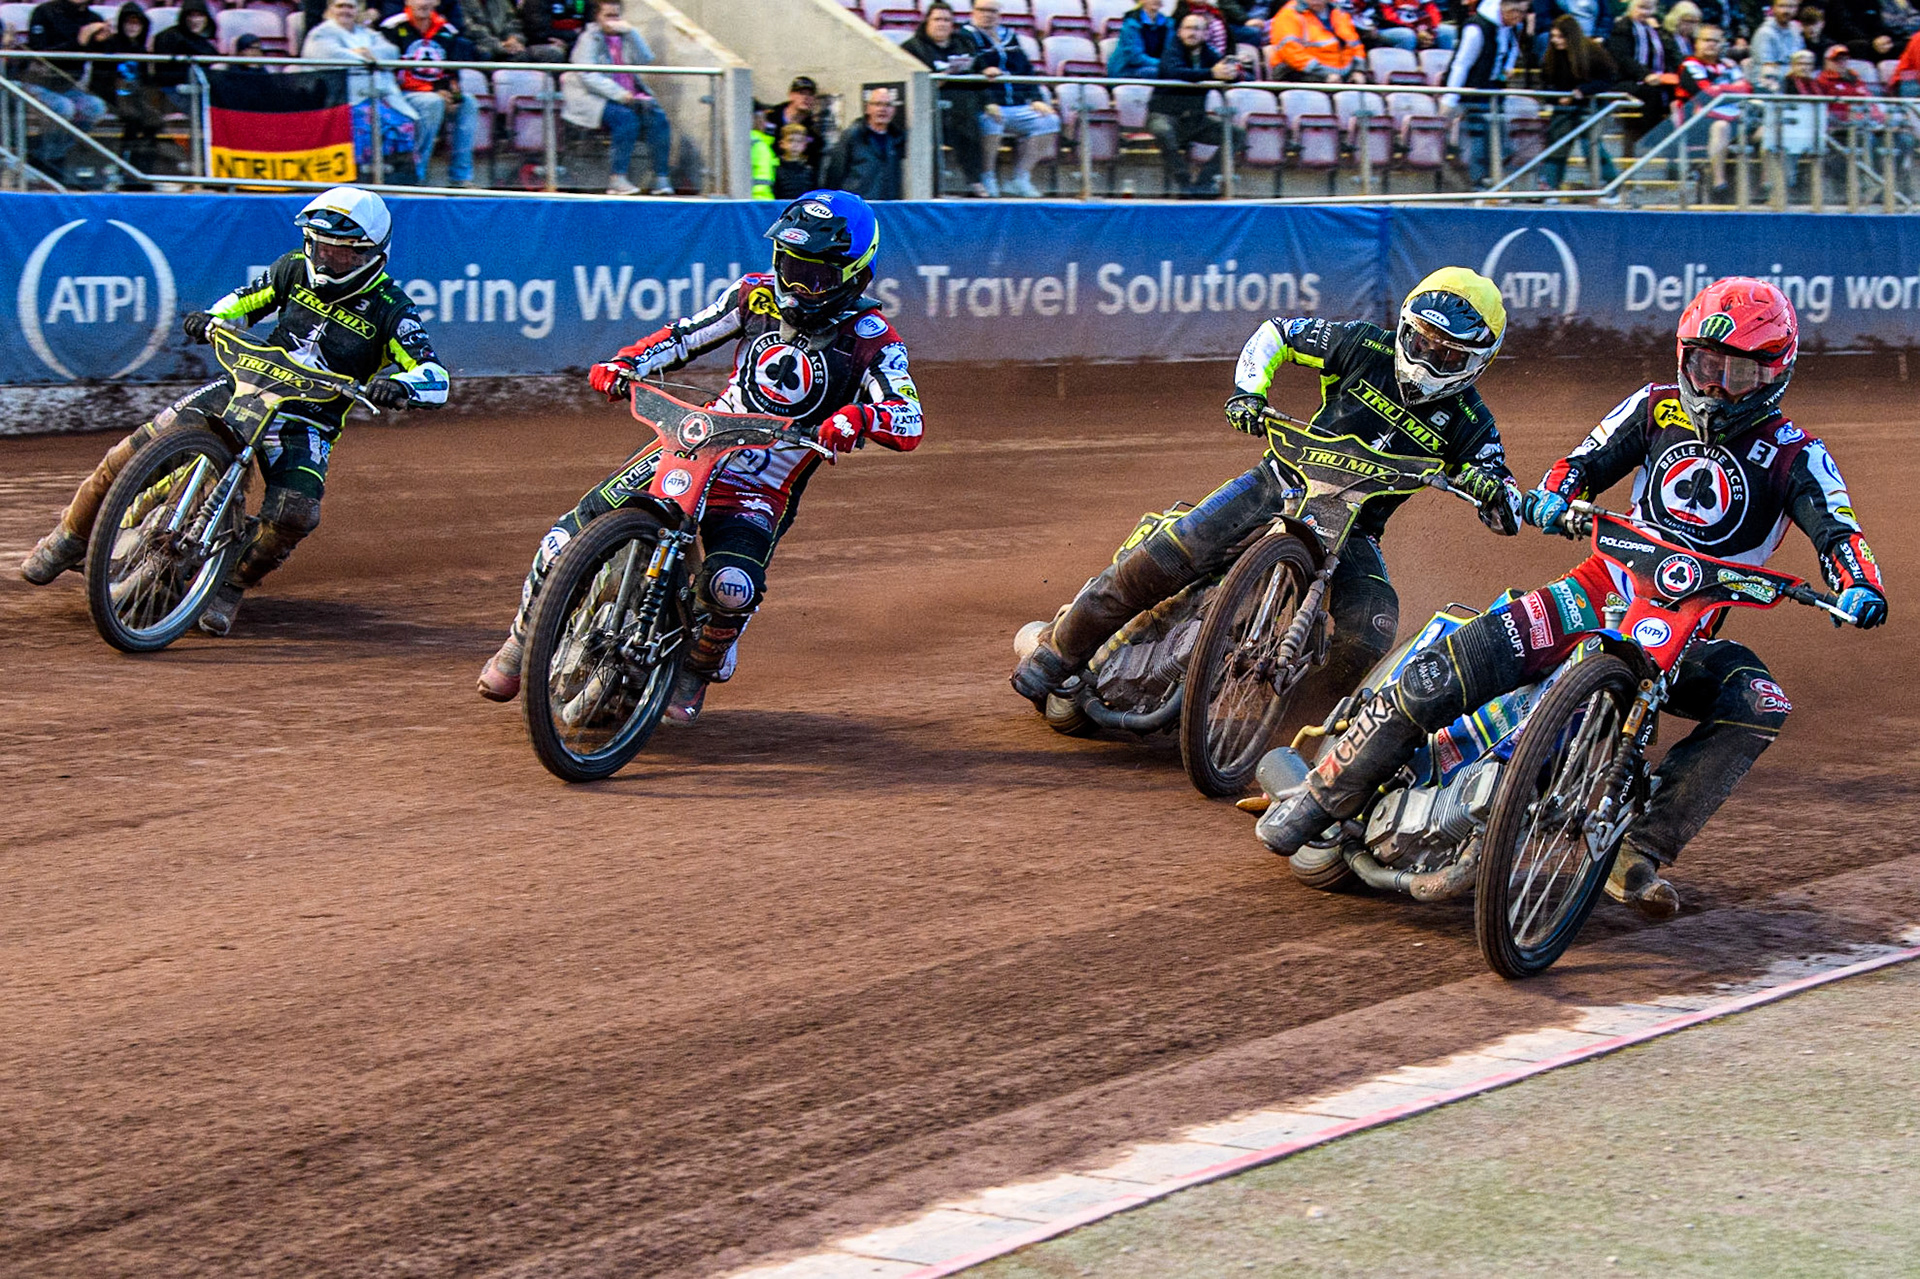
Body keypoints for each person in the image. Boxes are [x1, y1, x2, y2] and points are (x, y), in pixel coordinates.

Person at [1259, 278, 1887, 919]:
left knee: (1760, 700)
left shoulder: (1797, 455)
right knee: (1448, 665)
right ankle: (1324, 793)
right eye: (1706, 365)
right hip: (1596, 590)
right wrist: (1557, 496)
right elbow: (1580, 463)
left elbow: (1840, 532)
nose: (1718, 384)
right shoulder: (1655, 408)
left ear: (1776, 372)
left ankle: (1636, 847)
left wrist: (1858, 585)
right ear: (1684, 358)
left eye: (1739, 372)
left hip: (1684, 634)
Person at [475, 191, 925, 721]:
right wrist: (626, 363)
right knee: (563, 540)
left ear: (855, 276)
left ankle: (696, 665)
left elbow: (909, 414)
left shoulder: (873, 340)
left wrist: (860, 418)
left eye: (817, 276)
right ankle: (523, 637)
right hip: (694, 443)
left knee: (731, 587)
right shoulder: (754, 296)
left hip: (762, 483)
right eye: (790, 265)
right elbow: (684, 336)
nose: (799, 285)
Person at [1011, 269, 1522, 716]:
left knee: (1372, 628)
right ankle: (1056, 655)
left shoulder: (1473, 423)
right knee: (1165, 555)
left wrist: (1491, 490)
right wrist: (1248, 393)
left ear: (1478, 361)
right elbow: (1276, 334)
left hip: (1356, 528)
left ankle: (1281, 722)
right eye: (1422, 339)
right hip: (1279, 482)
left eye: (1447, 352)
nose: (1428, 356)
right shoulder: (1364, 344)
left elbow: (1507, 508)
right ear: (1405, 327)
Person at [19, 188, 449, 636]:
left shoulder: (392, 311)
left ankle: (232, 583)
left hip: (306, 419)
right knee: (130, 455)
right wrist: (212, 318)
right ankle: (68, 538)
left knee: (295, 513)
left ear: (371, 255)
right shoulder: (292, 269)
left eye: (340, 254)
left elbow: (435, 374)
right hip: (244, 384)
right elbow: (245, 300)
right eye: (320, 248)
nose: (326, 261)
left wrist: (400, 384)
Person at [562, 0, 673, 196]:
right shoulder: (589, 39)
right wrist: (619, 94)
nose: (614, 21)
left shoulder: (625, 36)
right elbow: (588, 75)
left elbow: (645, 58)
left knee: (658, 118)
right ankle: (617, 178)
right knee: (625, 119)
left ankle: (661, 177)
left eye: (617, 16)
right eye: (608, 16)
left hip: (629, 96)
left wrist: (632, 32)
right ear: (597, 17)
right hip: (596, 98)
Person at [304, 0, 419, 175]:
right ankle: (361, 173)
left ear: (358, 11)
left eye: (350, 7)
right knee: (365, 117)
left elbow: (391, 52)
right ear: (330, 10)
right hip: (343, 97)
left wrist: (362, 55)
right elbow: (330, 57)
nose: (345, 11)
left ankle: (397, 174)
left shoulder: (369, 33)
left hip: (382, 93)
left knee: (403, 121)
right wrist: (366, 58)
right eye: (340, 6)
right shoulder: (320, 34)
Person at [960, 0, 1061, 197]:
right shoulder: (964, 36)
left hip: (1017, 102)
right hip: (987, 103)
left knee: (1049, 121)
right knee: (991, 121)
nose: (987, 14)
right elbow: (967, 68)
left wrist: (1035, 97)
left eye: (993, 11)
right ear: (973, 11)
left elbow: (1025, 70)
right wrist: (985, 90)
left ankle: (1020, 178)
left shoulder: (1010, 36)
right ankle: (987, 176)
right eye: (982, 10)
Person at [381, 0, 480, 187]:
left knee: (468, 103)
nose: (424, 2)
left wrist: (453, 96)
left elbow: (452, 72)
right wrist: (435, 92)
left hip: (437, 93)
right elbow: (392, 74)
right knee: (432, 102)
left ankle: (460, 177)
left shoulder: (447, 30)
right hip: (401, 95)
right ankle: (417, 176)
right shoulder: (392, 27)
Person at [1148, 10, 1245, 195]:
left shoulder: (1209, 54)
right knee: (1162, 130)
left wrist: (1233, 72)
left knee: (1237, 135)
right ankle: (1184, 182)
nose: (1192, 33)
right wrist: (1211, 74)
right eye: (1188, 28)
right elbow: (1174, 72)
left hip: (1195, 120)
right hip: (1164, 115)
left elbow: (1234, 74)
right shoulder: (1172, 50)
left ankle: (1204, 182)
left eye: (1198, 29)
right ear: (1179, 32)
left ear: (1206, 34)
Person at [22, 0, 113, 180]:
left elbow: (103, 61)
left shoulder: (93, 19)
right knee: (64, 108)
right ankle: (51, 163)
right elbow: (40, 55)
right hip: (38, 82)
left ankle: (42, 156)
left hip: (68, 85)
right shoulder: (44, 12)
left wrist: (105, 42)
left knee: (95, 108)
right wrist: (79, 41)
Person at [904, 3, 988, 195]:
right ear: (927, 22)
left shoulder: (964, 43)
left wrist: (986, 71)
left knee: (972, 118)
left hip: (964, 106)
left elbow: (980, 70)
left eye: (947, 20)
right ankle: (934, 185)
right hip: (929, 108)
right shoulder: (912, 47)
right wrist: (943, 77)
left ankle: (975, 180)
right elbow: (913, 82)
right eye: (937, 19)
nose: (942, 24)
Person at [1445, 0, 1528, 185]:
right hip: (1474, 90)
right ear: (1505, 8)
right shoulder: (1477, 28)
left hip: (1495, 89)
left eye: (1524, 12)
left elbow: (1513, 48)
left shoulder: (1513, 27)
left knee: (1500, 139)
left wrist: (1508, 66)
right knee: (1478, 140)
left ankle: (1497, 178)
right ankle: (1478, 181)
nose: (1520, 17)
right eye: (1518, 12)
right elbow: (1461, 64)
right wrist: (1450, 97)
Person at [1540, 13, 1619, 188]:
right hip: (1564, 108)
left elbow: (1608, 79)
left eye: (1560, 37)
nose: (1555, 41)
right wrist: (1555, 97)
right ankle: (1550, 187)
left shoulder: (1592, 52)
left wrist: (1581, 91)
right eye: (1553, 36)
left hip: (1590, 107)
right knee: (1557, 146)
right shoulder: (1552, 56)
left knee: (1591, 147)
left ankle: (1611, 186)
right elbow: (1546, 81)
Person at [1676, 23, 1751, 201]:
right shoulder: (1689, 66)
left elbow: (1746, 89)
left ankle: (1769, 186)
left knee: (1768, 129)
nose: (1711, 44)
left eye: (1716, 41)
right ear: (1696, 43)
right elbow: (1705, 94)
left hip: (1735, 118)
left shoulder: (1728, 65)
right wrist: (1731, 89)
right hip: (1697, 123)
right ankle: (1719, 185)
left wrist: (1720, 89)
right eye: (1706, 40)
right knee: (1721, 127)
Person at [1605, 0, 1678, 154]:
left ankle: (1677, 144)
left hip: (1652, 78)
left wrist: (1659, 30)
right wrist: (1645, 75)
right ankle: (1649, 141)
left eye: (1649, 8)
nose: (1645, 12)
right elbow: (1622, 58)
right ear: (1632, 8)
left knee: (1677, 93)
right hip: (1624, 80)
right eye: (1641, 7)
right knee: (1652, 93)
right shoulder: (1622, 27)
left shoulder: (1655, 30)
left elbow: (1670, 52)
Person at [822, 86, 906, 199]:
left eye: (888, 105)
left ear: (894, 110)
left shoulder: (897, 138)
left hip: (886, 209)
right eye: (878, 104)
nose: (882, 109)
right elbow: (834, 175)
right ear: (868, 108)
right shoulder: (852, 135)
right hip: (857, 208)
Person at [1269, 0, 1368, 82]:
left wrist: (1358, 70)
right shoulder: (1289, 15)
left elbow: (1355, 45)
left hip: (1340, 74)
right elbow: (1291, 52)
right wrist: (1325, 75)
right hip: (1299, 72)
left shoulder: (1339, 13)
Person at [463, 0, 562, 60]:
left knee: (553, 53)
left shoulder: (501, 2)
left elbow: (513, 23)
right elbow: (470, 30)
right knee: (522, 57)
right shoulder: (460, 3)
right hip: (481, 50)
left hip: (509, 48)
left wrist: (514, 39)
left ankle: (548, 94)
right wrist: (501, 46)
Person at [1108, 0, 1174, 75]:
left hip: (1156, 66)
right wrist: (1164, 64)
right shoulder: (1131, 24)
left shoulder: (1168, 23)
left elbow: (1171, 51)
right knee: (1161, 73)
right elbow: (1136, 58)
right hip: (1127, 69)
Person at [1750, 0, 1806, 86]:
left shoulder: (1796, 30)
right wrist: (1798, 70)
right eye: (1782, 6)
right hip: (1768, 84)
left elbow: (1802, 59)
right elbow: (1767, 68)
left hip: (1793, 82)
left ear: (1796, 9)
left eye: (1790, 7)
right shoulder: (1765, 33)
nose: (1786, 11)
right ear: (1773, 9)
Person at [1375, 0, 1455, 50]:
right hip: (1387, 28)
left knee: (1447, 31)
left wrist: (1429, 30)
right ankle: (1404, 70)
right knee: (1406, 35)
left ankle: (1446, 71)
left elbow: (1433, 13)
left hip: (1418, 27)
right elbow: (1388, 17)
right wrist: (1417, 31)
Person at [521, 0, 589, 57]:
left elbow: (592, 27)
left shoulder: (588, 2)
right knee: (553, 53)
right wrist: (573, 34)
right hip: (544, 44)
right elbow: (538, 32)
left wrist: (570, 44)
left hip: (579, 43)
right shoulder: (536, 2)